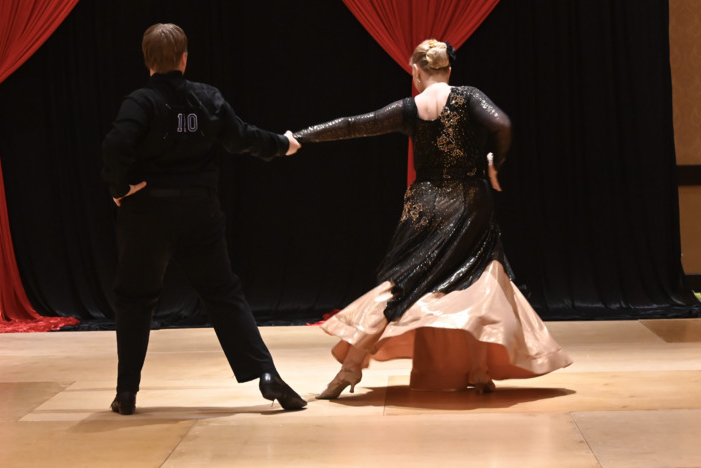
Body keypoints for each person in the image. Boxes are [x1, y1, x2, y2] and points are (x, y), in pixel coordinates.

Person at [292, 39, 572, 398]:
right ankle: (479, 372)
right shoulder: (469, 96)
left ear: (416, 72)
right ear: (449, 70)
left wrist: (298, 137)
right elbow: (502, 123)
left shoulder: (410, 108)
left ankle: (350, 368)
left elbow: (352, 125)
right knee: (480, 282)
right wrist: (495, 164)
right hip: (470, 202)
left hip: (426, 204)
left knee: (401, 285)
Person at [102, 23, 306, 413]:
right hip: (200, 212)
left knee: (135, 299)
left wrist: (119, 187)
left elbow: (116, 145)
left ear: (147, 60)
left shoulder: (140, 102)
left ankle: (126, 392)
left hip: (148, 215)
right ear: (184, 59)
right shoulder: (206, 98)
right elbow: (241, 137)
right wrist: (282, 144)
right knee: (223, 295)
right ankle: (267, 375)